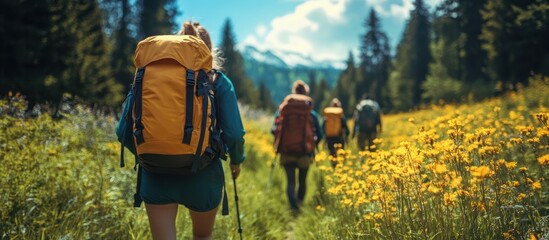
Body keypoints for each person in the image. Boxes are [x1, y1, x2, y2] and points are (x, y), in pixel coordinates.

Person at [140, 21, 245, 240]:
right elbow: (234, 133)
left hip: (155, 174)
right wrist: (236, 160)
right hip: (202, 174)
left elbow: (123, 130)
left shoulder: (147, 76)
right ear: (209, 50)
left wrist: (152, 151)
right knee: (201, 236)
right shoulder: (218, 81)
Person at [271, 80, 323, 214]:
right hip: (305, 152)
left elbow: (274, 129)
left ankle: (293, 207)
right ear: (306, 93)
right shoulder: (311, 113)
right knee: (302, 180)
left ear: (294, 92)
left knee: (290, 181)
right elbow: (320, 134)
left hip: (287, 151)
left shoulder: (285, 109)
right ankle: (299, 206)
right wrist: (312, 145)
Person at [322, 98, 350, 167]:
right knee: (340, 156)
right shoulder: (341, 116)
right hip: (339, 138)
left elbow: (323, 128)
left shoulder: (327, 116)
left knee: (332, 156)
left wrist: (324, 140)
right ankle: (340, 169)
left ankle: (334, 168)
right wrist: (346, 138)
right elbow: (347, 129)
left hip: (330, 139)